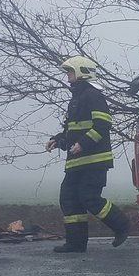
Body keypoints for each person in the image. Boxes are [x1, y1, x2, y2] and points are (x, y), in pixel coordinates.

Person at [46, 56, 130, 253]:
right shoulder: (76, 98)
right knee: (69, 198)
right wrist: (58, 140)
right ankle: (76, 243)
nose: (67, 76)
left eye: (70, 71)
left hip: (94, 161)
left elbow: (103, 124)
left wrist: (83, 144)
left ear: (82, 71)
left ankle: (122, 225)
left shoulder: (93, 95)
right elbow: (73, 130)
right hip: (77, 162)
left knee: (89, 197)